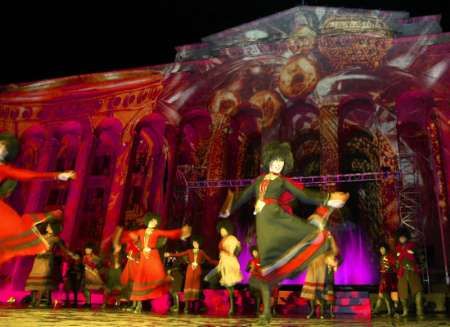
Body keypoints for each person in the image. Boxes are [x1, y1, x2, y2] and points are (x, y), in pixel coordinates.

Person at [220, 141, 349, 322]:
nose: (278, 165)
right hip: (264, 225)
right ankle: (265, 313)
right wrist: (229, 207)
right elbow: (243, 196)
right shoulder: (258, 181)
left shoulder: (282, 181)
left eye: (281, 163)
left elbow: (304, 195)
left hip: (278, 219)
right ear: (269, 160)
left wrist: (328, 198)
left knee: (308, 232)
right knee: (266, 268)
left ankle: (324, 241)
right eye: (275, 161)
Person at [0, 132, 75, 265]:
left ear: (6, 154)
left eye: (3, 148)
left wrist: (57, 175)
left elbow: (27, 175)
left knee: (13, 233)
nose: (0, 149)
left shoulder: (3, 169)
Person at [114, 212, 191, 313]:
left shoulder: (157, 232)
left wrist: (181, 232)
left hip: (153, 255)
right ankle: (138, 306)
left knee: (159, 277)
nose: (155, 223)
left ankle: (168, 297)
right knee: (140, 279)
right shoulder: (141, 231)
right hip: (144, 257)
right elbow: (130, 236)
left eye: (156, 221)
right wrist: (118, 236)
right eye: (154, 220)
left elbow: (168, 233)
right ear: (149, 221)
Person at [165, 235, 217, 314]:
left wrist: (219, 262)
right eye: (194, 243)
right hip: (190, 269)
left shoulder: (201, 252)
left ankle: (194, 307)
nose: (195, 244)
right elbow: (180, 254)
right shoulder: (189, 251)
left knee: (196, 286)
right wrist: (170, 254)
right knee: (188, 285)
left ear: (199, 244)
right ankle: (186, 306)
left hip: (197, 270)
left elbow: (209, 260)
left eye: (196, 243)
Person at [25, 218, 65, 308]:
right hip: (38, 259)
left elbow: (62, 249)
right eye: (48, 225)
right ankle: (33, 301)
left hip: (47, 260)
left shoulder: (55, 239)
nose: (47, 227)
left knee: (43, 281)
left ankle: (42, 301)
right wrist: (44, 220)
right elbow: (33, 227)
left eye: (49, 226)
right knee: (34, 282)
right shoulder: (43, 236)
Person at [205, 220, 242, 315]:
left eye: (224, 230)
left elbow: (234, 250)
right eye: (221, 231)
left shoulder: (231, 238)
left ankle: (232, 307)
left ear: (228, 230)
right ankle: (227, 302)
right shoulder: (223, 240)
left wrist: (236, 247)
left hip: (229, 262)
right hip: (223, 262)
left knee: (229, 285)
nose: (222, 232)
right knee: (212, 279)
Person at [301, 231, 339, 319]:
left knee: (324, 291)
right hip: (313, 267)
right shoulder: (312, 240)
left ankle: (325, 311)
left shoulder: (328, 241)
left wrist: (331, 238)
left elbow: (335, 251)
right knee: (311, 292)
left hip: (323, 267)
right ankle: (312, 311)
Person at [395, 228, 423, 318]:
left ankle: (419, 310)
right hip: (402, 272)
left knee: (417, 289)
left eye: (403, 237)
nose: (402, 239)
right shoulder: (397, 248)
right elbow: (396, 262)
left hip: (412, 271)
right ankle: (405, 311)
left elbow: (420, 258)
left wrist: (414, 254)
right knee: (402, 292)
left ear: (406, 237)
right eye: (400, 237)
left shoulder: (413, 246)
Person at [373, 243, 398, 316]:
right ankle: (377, 310)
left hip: (389, 277)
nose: (381, 250)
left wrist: (390, 269)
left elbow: (394, 265)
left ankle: (392, 311)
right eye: (380, 249)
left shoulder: (389, 256)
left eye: (383, 249)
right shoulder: (381, 257)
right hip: (384, 278)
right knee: (382, 294)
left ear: (386, 249)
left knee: (391, 294)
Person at [82, 243, 104, 308]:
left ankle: (104, 302)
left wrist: (90, 265)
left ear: (91, 250)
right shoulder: (84, 257)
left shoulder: (95, 258)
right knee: (86, 289)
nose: (87, 250)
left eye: (88, 249)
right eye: (86, 249)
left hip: (93, 274)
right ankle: (88, 302)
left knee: (99, 287)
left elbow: (97, 265)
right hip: (87, 274)